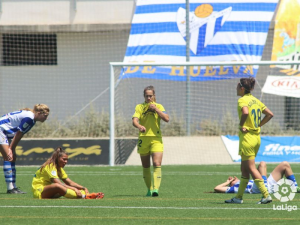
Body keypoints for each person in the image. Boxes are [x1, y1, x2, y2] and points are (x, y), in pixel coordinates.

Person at [225, 77, 274, 204]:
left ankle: (266, 195)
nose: (235, 88)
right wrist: (258, 125)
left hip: (247, 138)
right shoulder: (256, 100)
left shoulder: (242, 100)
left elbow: (245, 112)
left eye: (237, 86)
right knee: (244, 169)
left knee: (251, 168)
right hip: (256, 138)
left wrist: (242, 125)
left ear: (241, 88)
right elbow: (270, 114)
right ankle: (238, 197)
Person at [0, 104, 50, 194]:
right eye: (45, 116)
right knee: (8, 158)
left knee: (11, 158)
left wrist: (12, 149)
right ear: (39, 113)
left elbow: (18, 134)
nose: (46, 118)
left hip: (3, 132)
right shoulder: (30, 118)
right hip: (1, 130)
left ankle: (13, 187)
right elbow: (19, 134)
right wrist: (11, 149)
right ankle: (10, 188)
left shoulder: (32, 118)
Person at [132, 86, 169, 197]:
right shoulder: (139, 107)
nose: (149, 98)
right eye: (147, 96)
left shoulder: (159, 106)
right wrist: (139, 126)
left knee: (157, 163)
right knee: (146, 166)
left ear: (154, 96)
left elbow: (167, 119)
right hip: (143, 139)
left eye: (150, 96)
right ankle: (149, 189)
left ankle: (155, 190)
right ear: (144, 96)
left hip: (156, 139)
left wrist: (156, 110)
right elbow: (134, 120)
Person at [32, 146, 104, 199]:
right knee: (58, 186)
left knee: (70, 188)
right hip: (39, 191)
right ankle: (85, 197)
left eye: (67, 160)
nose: (66, 162)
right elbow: (58, 183)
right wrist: (74, 189)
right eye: (64, 159)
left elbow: (70, 183)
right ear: (57, 158)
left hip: (47, 191)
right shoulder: (50, 166)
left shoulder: (59, 168)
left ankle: (88, 195)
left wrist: (83, 188)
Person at [215, 161, 300, 194]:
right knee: (261, 165)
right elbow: (217, 188)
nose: (233, 178)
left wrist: (234, 181)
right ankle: (264, 188)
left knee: (285, 164)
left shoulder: (247, 181)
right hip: (258, 189)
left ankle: (294, 187)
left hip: (267, 184)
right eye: (232, 181)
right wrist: (227, 182)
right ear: (231, 185)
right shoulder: (235, 188)